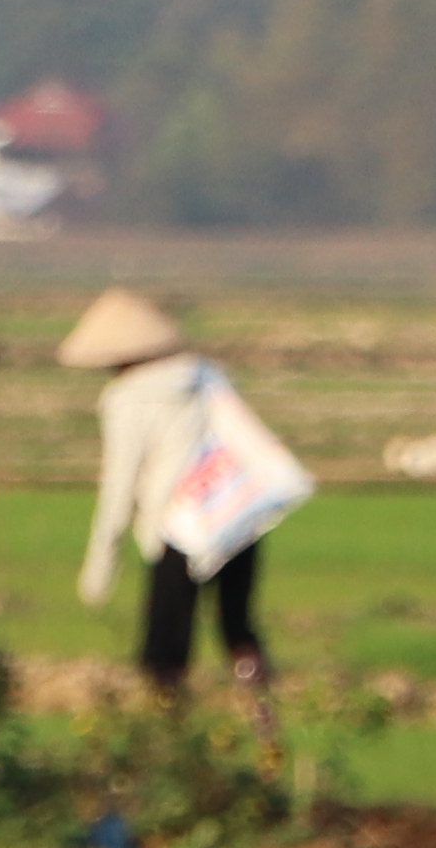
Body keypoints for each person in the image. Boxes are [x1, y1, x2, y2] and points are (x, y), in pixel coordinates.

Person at [62, 288, 289, 744]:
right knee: (238, 629)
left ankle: (169, 745)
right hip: (233, 518)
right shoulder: (209, 378)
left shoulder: (126, 398)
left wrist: (101, 565)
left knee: (165, 650)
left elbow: (120, 484)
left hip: (177, 526)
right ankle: (267, 736)